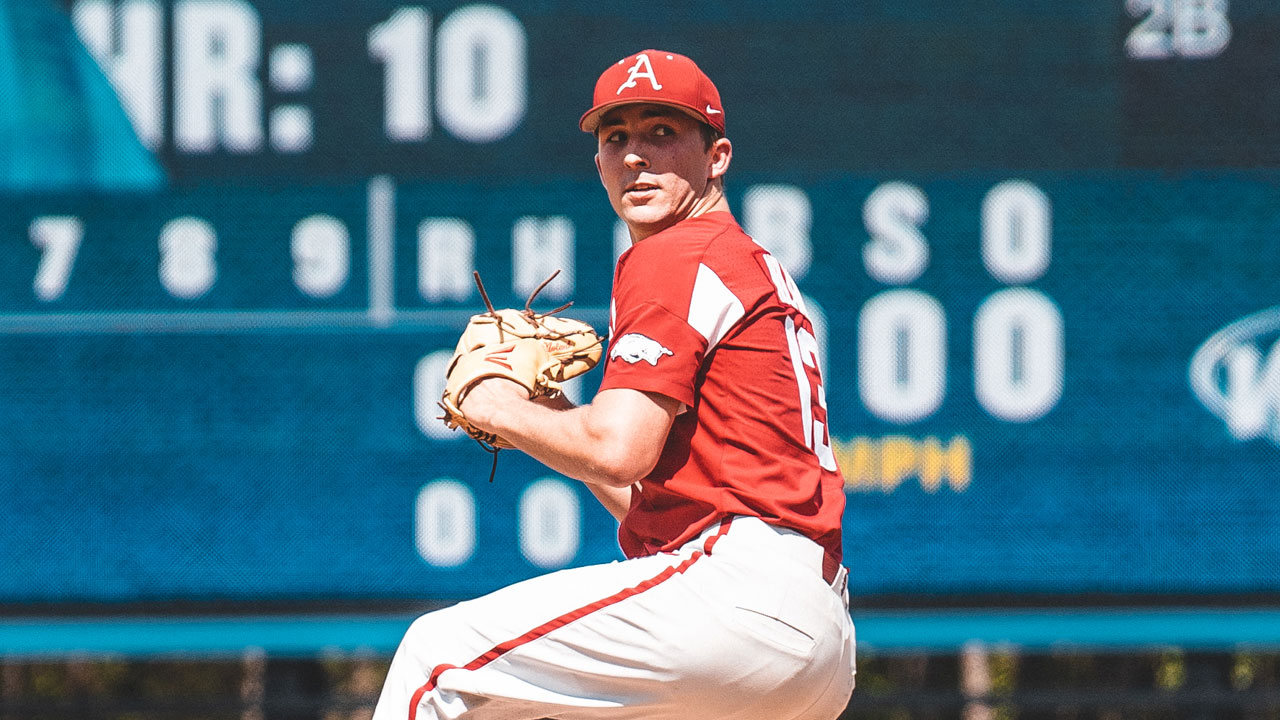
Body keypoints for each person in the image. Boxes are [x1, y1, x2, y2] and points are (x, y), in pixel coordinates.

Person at [373, 49, 856, 720]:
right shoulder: (746, 263)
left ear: (717, 157)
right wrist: (554, 413)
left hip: (736, 596)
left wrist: (498, 404)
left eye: (663, 132)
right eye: (617, 137)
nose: (636, 155)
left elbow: (617, 448)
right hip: (809, 639)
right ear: (597, 163)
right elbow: (649, 494)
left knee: (437, 661)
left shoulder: (677, 253)